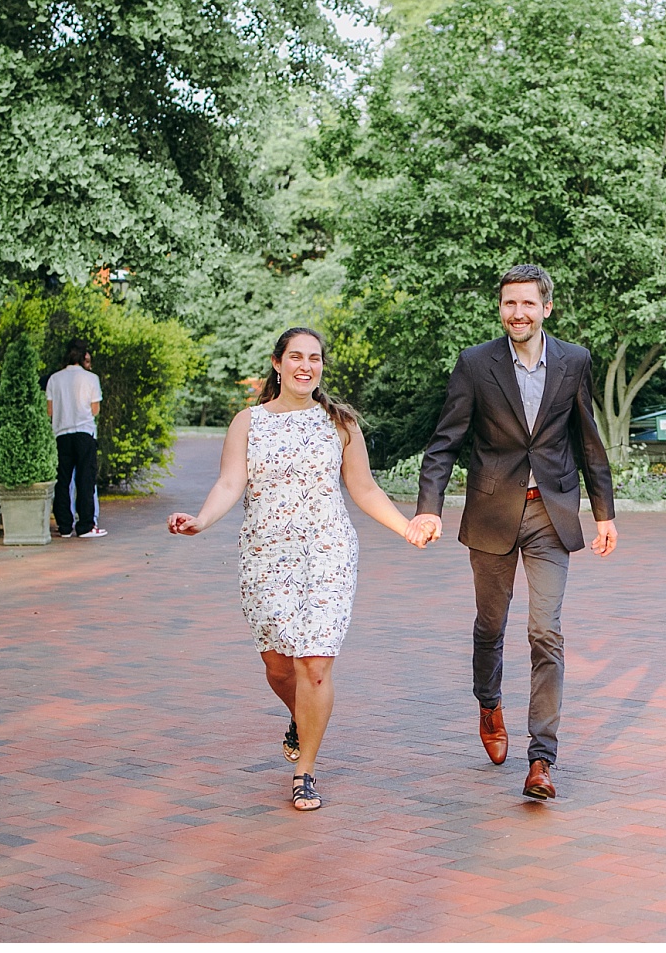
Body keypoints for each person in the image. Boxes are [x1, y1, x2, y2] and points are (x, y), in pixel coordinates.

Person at [168, 327, 432, 811]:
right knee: (278, 664)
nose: (305, 365)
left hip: (328, 553)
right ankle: (300, 718)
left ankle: (304, 769)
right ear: (277, 363)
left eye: (314, 358)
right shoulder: (247, 422)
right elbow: (230, 483)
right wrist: (200, 521)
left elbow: (365, 489)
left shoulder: (340, 422)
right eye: (295, 357)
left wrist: (406, 527)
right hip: (265, 554)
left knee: (313, 663)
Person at [410, 264, 617, 801]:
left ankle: (542, 760)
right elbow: (444, 442)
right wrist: (429, 508)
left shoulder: (574, 361)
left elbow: (588, 438)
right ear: (500, 308)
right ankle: (488, 701)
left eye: (528, 304)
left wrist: (603, 512)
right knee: (491, 625)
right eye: (509, 304)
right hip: (491, 513)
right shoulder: (476, 364)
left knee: (545, 632)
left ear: (547, 307)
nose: (517, 313)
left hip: (551, 514)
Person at [46, 339, 106, 538]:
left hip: (61, 434)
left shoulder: (54, 379)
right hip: (84, 433)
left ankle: (64, 526)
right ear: (83, 357)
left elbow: (50, 410)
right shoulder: (91, 378)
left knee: (62, 480)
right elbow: (95, 409)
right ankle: (86, 525)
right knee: (85, 479)